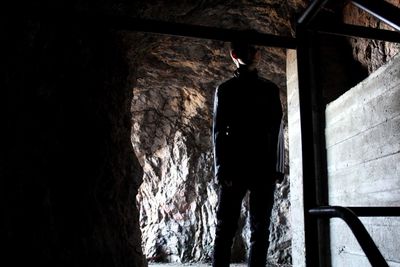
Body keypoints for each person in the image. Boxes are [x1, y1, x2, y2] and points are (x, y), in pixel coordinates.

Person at [212, 40, 284, 267]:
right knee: (227, 227)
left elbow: (278, 129)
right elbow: (218, 131)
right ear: (235, 54)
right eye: (249, 49)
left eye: (254, 48)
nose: (254, 52)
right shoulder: (226, 89)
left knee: (258, 228)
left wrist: (278, 167)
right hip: (239, 166)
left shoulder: (268, 89)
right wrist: (221, 168)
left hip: (255, 166)